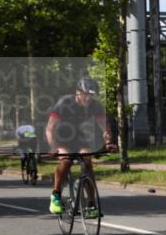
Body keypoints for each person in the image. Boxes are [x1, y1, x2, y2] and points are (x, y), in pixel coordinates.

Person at [47, 77, 116, 215]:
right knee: (66, 160)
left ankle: (91, 204)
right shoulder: (64, 103)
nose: (89, 98)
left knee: (87, 160)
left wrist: (108, 142)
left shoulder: (95, 106)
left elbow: (104, 127)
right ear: (77, 92)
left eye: (91, 95)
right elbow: (50, 129)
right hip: (62, 137)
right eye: (86, 95)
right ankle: (55, 195)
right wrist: (54, 147)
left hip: (80, 137)